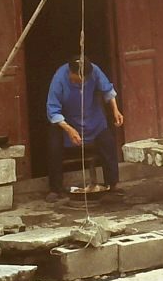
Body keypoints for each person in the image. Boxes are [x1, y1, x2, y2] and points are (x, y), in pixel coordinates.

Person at [45, 55, 124, 202]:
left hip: (93, 120)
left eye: (82, 80)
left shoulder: (94, 71)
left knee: (108, 141)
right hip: (68, 123)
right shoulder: (59, 78)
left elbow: (107, 90)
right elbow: (52, 110)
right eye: (76, 79)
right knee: (53, 144)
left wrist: (115, 110)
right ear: (70, 72)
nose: (79, 82)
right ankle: (55, 188)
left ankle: (113, 183)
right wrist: (69, 129)